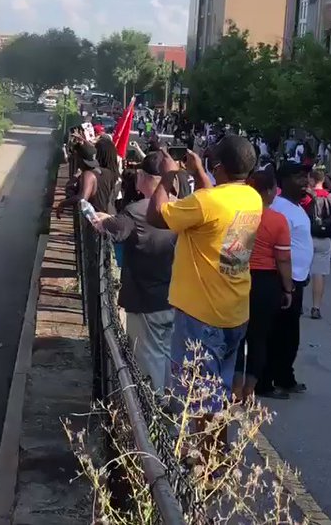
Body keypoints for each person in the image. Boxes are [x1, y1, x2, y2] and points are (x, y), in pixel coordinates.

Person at [146, 136, 261, 408]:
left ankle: (201, 451)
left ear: (219, 167)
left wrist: (167, 176)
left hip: (202, 316)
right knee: (217, 396)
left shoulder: (207, 202)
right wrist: (198, 171)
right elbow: (210, 205)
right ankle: (217, 451)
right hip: (234, 311)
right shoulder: (252, 198)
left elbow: (156, 216)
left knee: (196, 403)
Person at [91, 152, 177, 391]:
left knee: (148, 355)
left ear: (146, 177)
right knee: (167, 351)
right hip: (176, 295)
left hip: (146, 297)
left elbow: (114, 229)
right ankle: (170, 402)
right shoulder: (180, 206)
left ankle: (154, 408)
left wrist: (102, 221)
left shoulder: (138, 210)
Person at [237, 168, 293, 400]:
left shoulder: (240, 215)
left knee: (238, 335)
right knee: (259, 337)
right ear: (269, 191)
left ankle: (234, 387)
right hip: (266, 282)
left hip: (240, 278)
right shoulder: (278, 221)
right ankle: (250, 388)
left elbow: (233, 253)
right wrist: (288, 289)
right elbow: (283, 259)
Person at [259, 161, 313, 399]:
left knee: (290, 335)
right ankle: (266, 382)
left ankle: (285, 377)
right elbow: (278, 250)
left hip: (297, 279)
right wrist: (286, 285)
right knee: (276, 335)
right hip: (283, 281)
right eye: (299, 177)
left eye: (306, 177)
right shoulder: (279, 208)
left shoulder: (296, 207)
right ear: (284, 180)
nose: (305, 182)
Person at [300, 168, 331, 320]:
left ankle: (298, 305)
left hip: (307, 238)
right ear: (323, 180)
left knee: (301, 272)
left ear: (311, 180)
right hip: (325, 240)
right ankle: (316, 307)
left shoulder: (306, 198)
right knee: (319, 274)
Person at [56, 141, 119, 217]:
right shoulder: (111, 173)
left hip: (92, 219)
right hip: (105, 216)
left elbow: (82, 198)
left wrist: (62, 204)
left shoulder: (89, 174)